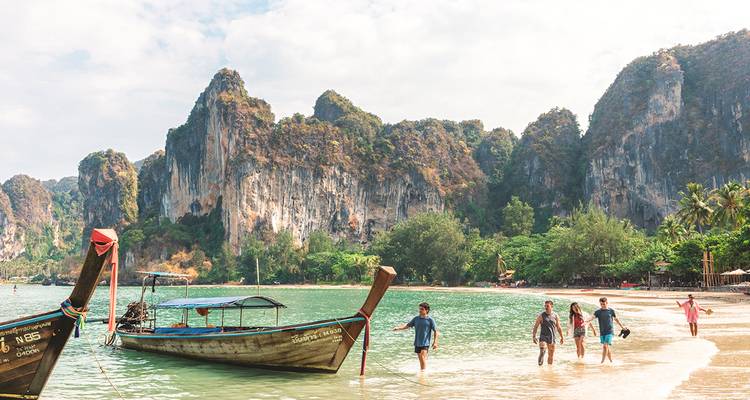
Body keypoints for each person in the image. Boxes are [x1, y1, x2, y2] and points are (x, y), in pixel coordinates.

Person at [393, 302, 439, 370]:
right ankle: (422, 372)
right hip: (417, 342)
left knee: (423, 357)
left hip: (425, 343)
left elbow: (436, 331)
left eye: (422, 309)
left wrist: (435, 342)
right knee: (420, 359)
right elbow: (407, 326)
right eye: (419, 309)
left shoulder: (430, 320)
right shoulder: (416, 319)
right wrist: (398, 328)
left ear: (426, 310)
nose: (420, 310)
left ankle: (423, 373)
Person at [586, 297, 627, 364]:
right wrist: (586, 321)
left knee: (605, 346)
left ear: (607, 303)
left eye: (604, 304)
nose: (602, 305)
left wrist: (622, 327)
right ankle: (611, 361)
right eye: (601, 304)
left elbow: (616, 319)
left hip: (609, 331)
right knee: (606, 347)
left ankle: (602, 362)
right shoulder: (598, 312)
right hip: (602, 332)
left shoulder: (611, 311)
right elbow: (592, 317)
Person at [532, 300, 564, 366]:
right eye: (545, 306)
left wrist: (562, 337)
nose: (546, 307)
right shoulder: (541, 316)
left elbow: (558, 327)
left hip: (552, 337)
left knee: (551, 355)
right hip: (543, 336)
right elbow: (536, 326)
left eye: (547, 306)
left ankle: (549, 370)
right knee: (542, 351)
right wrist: (534, 336)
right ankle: (540, 367)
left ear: (551, 306)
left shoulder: (555, 316)